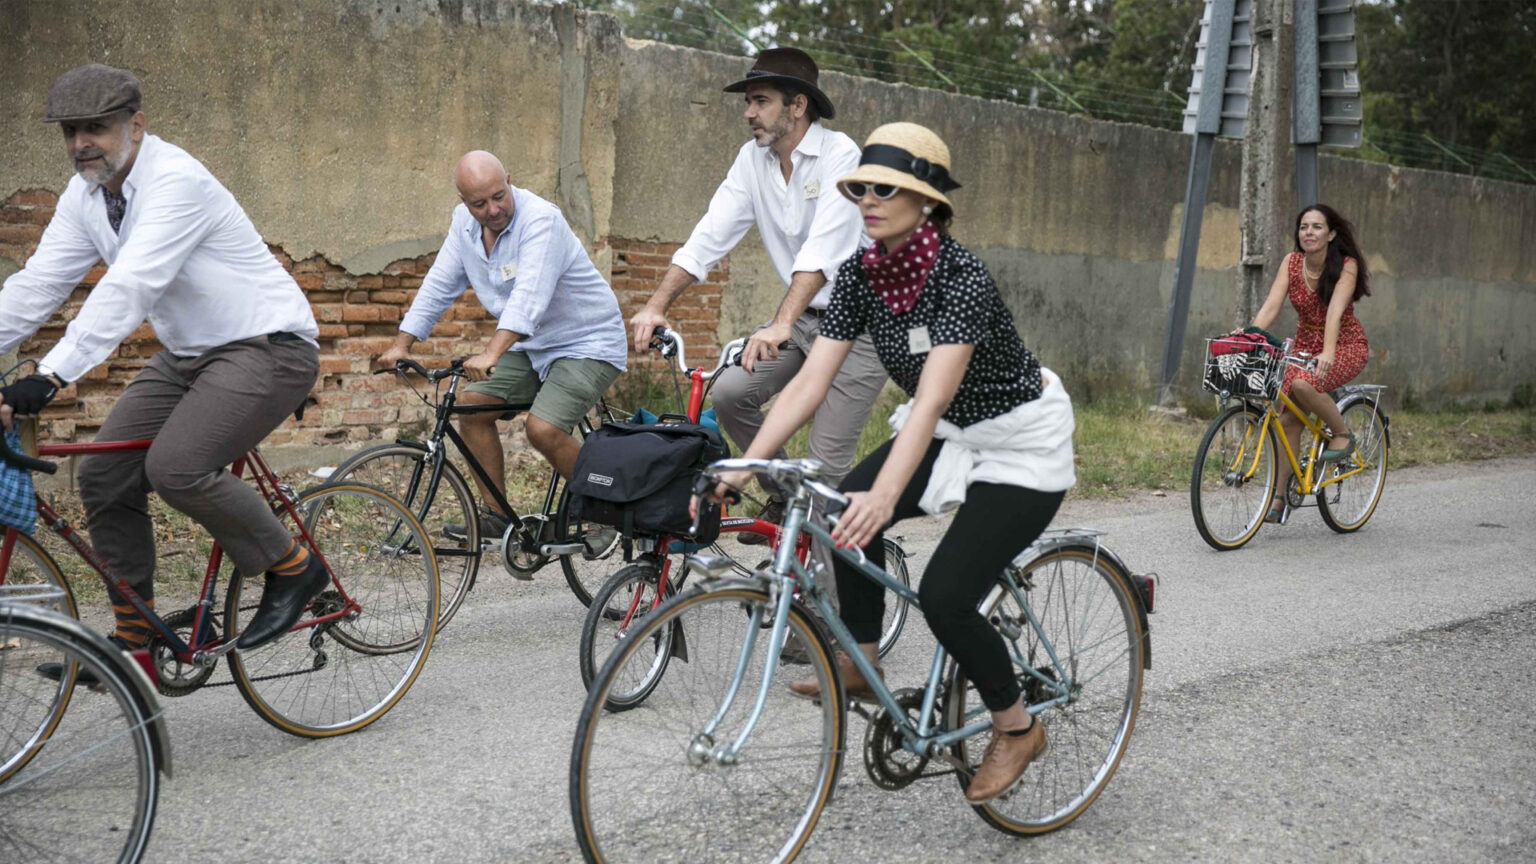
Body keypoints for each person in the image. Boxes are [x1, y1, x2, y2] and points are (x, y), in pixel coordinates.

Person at [704, 123, 1077, 803]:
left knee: (944, 595)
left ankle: (1016, 725)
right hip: (953, 430)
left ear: (928, 201)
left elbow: (931, 399)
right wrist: (741, 467)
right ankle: (861, 659)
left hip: (1019, 443)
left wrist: (887, 496)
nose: (869, 199)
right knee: (845, 508)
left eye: (888, 188)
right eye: (862, 188)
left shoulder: (960, 279)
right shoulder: (861, 275)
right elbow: (809, 385)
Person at [0, 64, 323, 655]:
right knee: (101, 473)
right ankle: (136, 636)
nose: (79, 144)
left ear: (137, 125)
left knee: (175, 467)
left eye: (94, 127)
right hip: (191, 354)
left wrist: (52, 374)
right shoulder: (88, 195)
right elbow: (38, 286)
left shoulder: (177, 182)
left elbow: (131, 285)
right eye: (70, 131)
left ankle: (294, 565)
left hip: (267, 345)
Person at [628, 47, 885, 546]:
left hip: (862, 329)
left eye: (760, 101)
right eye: (748, 101)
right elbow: (709, 235)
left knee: (826, 462)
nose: (748, 112)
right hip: (807, 318)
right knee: (729, 394)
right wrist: (658, 303)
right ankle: (784, 494)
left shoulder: (841, 157)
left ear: (797, 107)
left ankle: (819, 604)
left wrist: (780, 322)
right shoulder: (752, 161)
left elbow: (822, 252)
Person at [377, 151, 626, 546]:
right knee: (470, 406)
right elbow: (440, 282)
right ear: (463, 202)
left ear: (509, 180)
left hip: (586, 341)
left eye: (499, 195)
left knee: (542, 429)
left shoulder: (541, 220)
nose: (493, 209)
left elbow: (530, 296)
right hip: (531, 345)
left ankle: (610, 509)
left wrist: (492, 353)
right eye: (480, 204)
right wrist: (403, 343)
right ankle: (495, 516)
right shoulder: (464, 225)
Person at [1245, 204, 1371, 523]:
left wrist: (1328, 352)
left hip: (1343, 344)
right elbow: (1271, 307)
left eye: (1317, 227)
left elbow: (1334, 312)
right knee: (1287, 421)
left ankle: (1342, 434)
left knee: (1303, 383)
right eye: (1304, 227)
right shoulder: (1292, 263)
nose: (1309, 233)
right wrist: (1250, 336)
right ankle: (1279, 498)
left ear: (1330, 234)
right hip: (1302, 345)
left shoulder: (1346, 265)